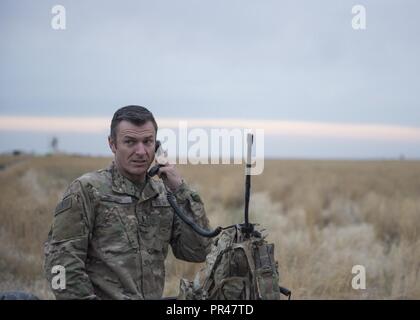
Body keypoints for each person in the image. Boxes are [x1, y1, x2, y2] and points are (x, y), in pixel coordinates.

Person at [43, 105, 212, 299]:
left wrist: (180, 190)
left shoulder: (164, 196)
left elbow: (198, 252)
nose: (141, 151)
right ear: (112, 144)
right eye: (130, 142)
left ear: (157, 147)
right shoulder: (87, 190)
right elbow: (60, 264)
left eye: (147, 142)